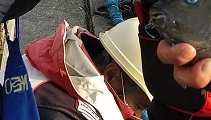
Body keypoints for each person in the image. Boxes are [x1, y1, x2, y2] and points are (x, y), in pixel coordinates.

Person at [20, 17, 152, 120]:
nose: (138, 115)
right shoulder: (64, 114)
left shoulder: (57, 55)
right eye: (139, 106)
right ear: (111, 75)